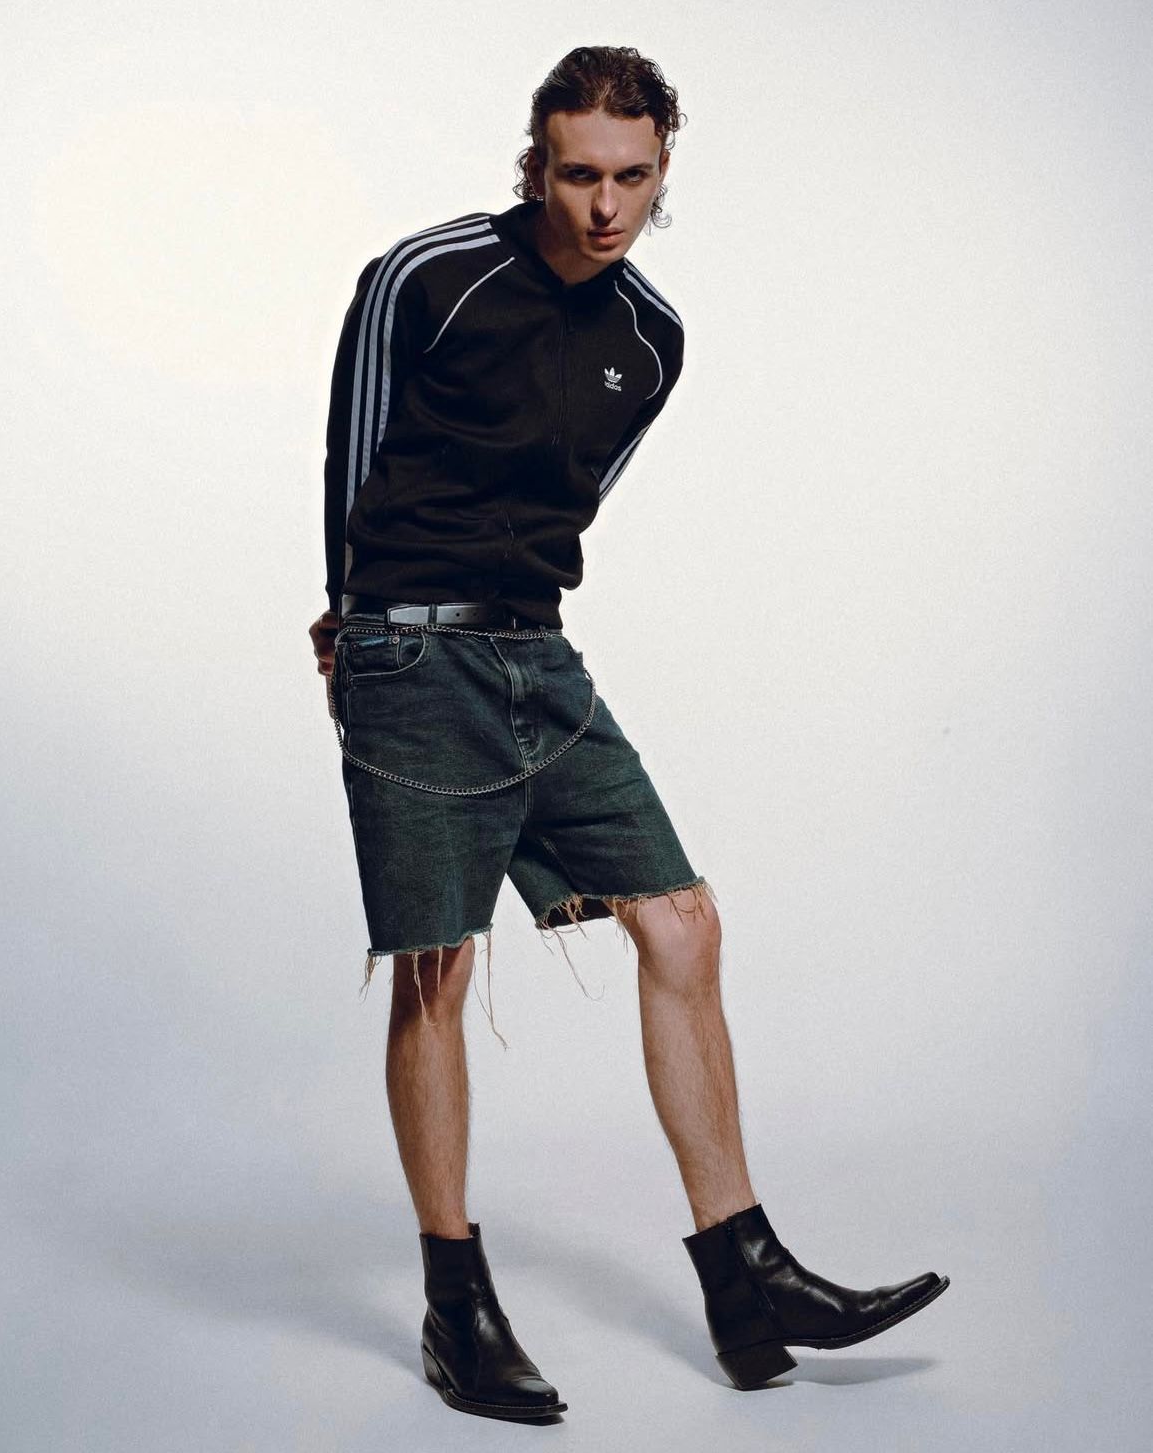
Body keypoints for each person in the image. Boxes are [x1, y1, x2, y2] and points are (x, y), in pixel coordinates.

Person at [308, 45, 949, 1423]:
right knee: (436, 968)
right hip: (408, 647)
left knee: (683, 924)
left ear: (665, 169)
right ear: (535, 164)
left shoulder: (651, 338)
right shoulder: (427, 275)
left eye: (633, 178)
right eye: (578, 175)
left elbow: (571, 494)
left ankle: (746, 1273)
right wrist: (347, 623)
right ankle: (455, 1304)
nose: (605, 207)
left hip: (537, 652)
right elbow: (351, 447)